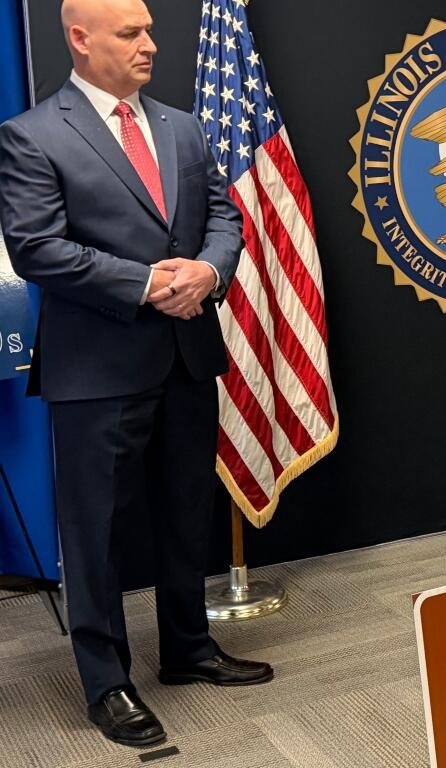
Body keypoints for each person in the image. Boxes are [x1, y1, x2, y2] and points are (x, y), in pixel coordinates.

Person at [0, 0, 271, 748]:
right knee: (96, 533)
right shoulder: (32, 135)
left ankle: (188, 648)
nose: (151, 43)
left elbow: (225, 216)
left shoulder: (183, 127)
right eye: (131, 33)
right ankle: (106, 682)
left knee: (186, 511)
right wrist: (150, 283)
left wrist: (208, 271)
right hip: (96, 369)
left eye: (148, 28)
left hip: (187, 354)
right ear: (80, 40)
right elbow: (37, 248)